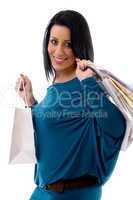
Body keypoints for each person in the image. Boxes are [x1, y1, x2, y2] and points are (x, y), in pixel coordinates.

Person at [15, 10, 126, 200]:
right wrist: (31, 102)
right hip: (44, 192)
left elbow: (117, 129)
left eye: (68, 44)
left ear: (79, 46)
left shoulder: (85, 87)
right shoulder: (55, 88)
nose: (58, 52)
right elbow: (56, 133)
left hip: (70, 195)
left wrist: (90, 85)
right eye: (54, 41)